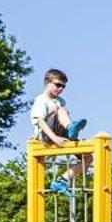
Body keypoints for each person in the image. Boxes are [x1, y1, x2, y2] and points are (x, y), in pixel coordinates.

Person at [29, 68, 88, 196]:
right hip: (48, 135)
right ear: (47, 83)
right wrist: (54, 137)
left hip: (60, 133)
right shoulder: (41, 100)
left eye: (63, 87)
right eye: (57, 85)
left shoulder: (60, 101)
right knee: (61, 110)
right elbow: (39, 120)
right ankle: (71, 129)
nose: (60, 89)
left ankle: (62, 180)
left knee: (87, 157)